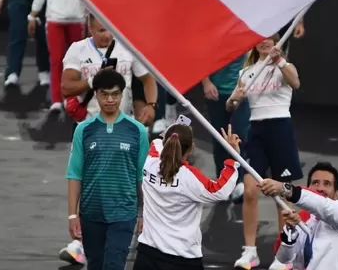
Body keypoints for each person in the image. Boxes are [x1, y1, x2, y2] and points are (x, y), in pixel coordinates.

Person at [58, 14, 157, 265]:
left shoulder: (127, 48)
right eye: (101, 30)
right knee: (91, 181)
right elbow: (66, 87)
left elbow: (147, 79)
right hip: (90, 124)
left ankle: (124, 224)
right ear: (89, 27)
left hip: (124, 128)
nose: (106, 35)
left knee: (126, 177)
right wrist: (95, 79)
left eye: (109, 30)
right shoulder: (77, 50)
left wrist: (152, 105)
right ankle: (79, 241)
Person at [226, 34, 302, 270]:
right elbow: (232, 105)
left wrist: (279, 61)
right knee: (250, 190)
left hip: (281, 129)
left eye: (270, 38)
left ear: (277, 42)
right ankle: (250, 252)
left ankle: (284, 253)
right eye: (260, 39)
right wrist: (233, 99)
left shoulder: (285, 67)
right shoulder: (246, 72)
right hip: (256, 132)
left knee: (282, 193)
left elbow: (296, 83)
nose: (265, 42)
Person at [66, 69, 150, 270]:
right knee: (95, 265)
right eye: (105, 94)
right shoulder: (83, 130)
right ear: (96, 94)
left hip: (123, 214)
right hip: (90, 214)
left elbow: (143, 177)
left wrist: (143, 214)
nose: (110, 99)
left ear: (122, 94)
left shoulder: (137, 131)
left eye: (115, 94)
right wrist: (72, 215)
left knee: (114, 265)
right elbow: (75, 174)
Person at [133, 121, 240, 270]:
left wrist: (175, 127)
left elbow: (157, 142)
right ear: (191, 149)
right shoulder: (190, 178)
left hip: (147, 255)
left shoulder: (150, 163)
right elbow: (219, 191)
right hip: (182, 259)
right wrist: (233, 158)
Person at [261, 162, 338, 270]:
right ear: (308, 188)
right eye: (315, 183)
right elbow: (284, 259)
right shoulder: (303, 222)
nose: (320, 188)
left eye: (327, 184)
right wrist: (290, 230)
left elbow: (323, 204)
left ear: (336, 194)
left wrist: (285, 189)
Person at [29, 0, 85, 113]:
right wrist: (33, 14)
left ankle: (75, 99)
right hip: (55, 20)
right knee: (56, 60)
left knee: (78, 63)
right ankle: (56, 100)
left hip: (77, 20)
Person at [202, 52, 250, 202]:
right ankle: (222, 181)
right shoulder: (213, 35)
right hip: (217, 93)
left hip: (241, 94)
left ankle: (239, 180)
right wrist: (206, 83)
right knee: (220, 138)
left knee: (239, 135)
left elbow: (251, 60)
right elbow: (201, 58)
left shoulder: (247, 33)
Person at [150, 0, 181, 134]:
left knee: (175, 71)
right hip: (156, 22)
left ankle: (171, 108)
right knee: (157, 70)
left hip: (179, 22)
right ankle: (161, 115)